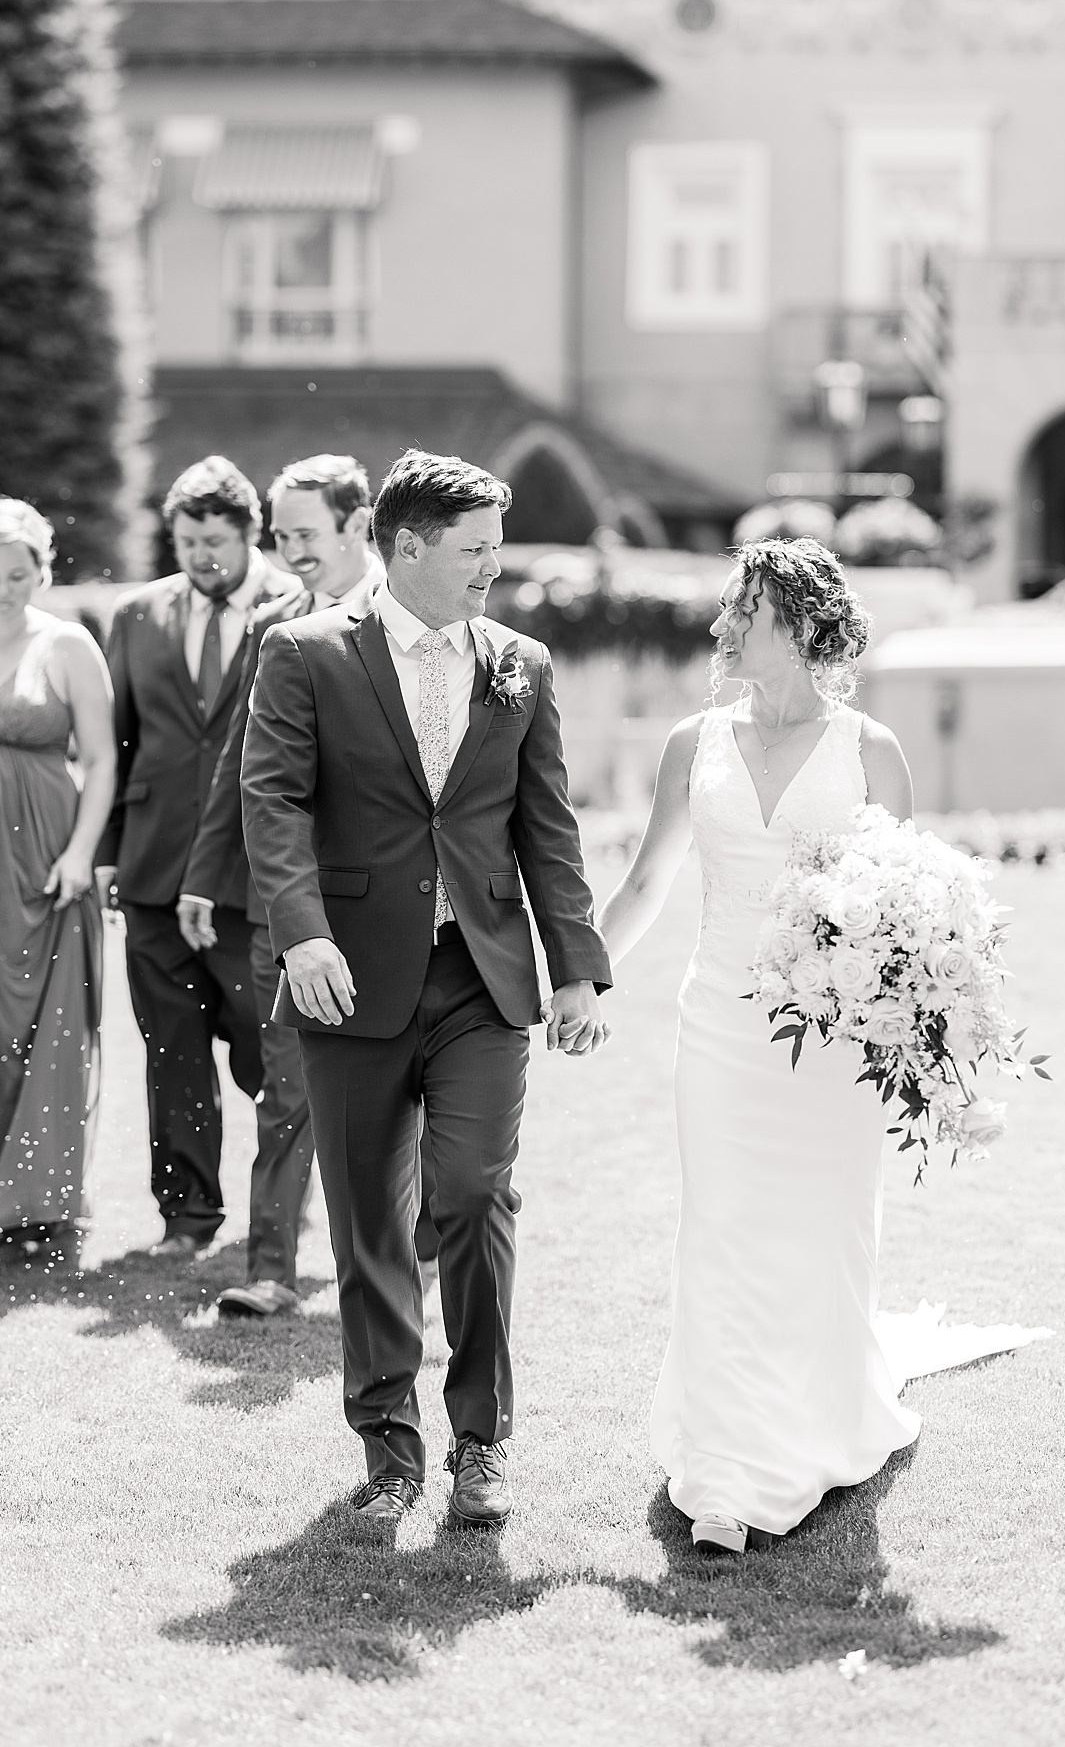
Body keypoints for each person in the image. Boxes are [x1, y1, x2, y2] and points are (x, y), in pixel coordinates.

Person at [598, 538, 1039, 1555]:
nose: (719, 629)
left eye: (738, 613)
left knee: (821, 1230)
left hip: (829, 1044)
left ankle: (823, 1420)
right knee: (721, 1230)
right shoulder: (690, 743)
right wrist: (579, 978)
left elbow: (913, 906)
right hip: (718, 1029)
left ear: (794, 623)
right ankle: (726, 1466)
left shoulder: (871, 748)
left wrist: (938, 1046)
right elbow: (648, 884)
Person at [242, 448, 611, 1527]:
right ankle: (389, 1450)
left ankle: (483, 1444)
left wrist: (578, 970)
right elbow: (271, 805)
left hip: (483, 981)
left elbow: (547, 826)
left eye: (495, 546)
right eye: (475, 550)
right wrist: (301, 937)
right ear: (406, 549)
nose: (495, 567)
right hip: (346, 980)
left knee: (472, 1193)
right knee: (368, 1222)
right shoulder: (305, 655)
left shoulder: (521, 664)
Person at [177, 454, 382, 1317]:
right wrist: (201, 876)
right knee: (287, 1088)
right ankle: (271, 1270)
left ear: (358, 527)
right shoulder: (273, 624)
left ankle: (415, 1255)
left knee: (401, 1093)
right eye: (280, 534)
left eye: (305, 533)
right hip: (279, 902)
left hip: (390, 902)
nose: (288, 550)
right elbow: (242, 767)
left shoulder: (412, 618)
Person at [95, 457, 299, 1257]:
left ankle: (286, 1202)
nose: (202, 554)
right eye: (186, 540)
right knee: (171, 1048)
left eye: (216, 540)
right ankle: (186, 1218)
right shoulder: (136, 615)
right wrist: (111, 852)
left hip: (252, 879)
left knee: (264, 1044)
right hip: (151, 871)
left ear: (250, 535)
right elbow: (118, 741)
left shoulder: (296, 611)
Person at [0, 498, 114, 1248]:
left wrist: (79, 853)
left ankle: (31, 1203)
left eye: (19, 572)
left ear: (43, 572)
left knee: (40, 1023)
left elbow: (102, 759)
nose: (5, 585)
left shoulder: (68, 645)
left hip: (43, 855)